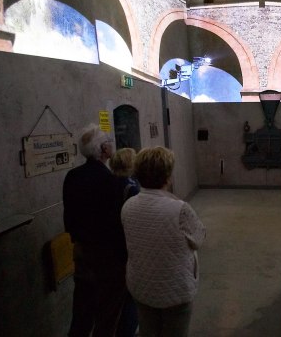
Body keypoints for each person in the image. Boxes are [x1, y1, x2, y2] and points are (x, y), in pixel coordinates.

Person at [121, 147, 206, 337]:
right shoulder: (180, 209)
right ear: (167, 176)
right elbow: (199, 238)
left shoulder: (128, 206)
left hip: (142, 287)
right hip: (175, 291)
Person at [62, 125, 128, 337]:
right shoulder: (110, 181)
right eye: (108, 141)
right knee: (107, 315)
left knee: (81, 310)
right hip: (107, 256)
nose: (111, 144)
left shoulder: (72, 176)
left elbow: (69, 217)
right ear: (103, 150)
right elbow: (116, 222)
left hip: (81, 250)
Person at [110, 147, 141, 337]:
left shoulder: (107, 183)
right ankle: (127, 331)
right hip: (126, 247)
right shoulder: (131, 187)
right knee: (130, 294)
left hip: (108, 246)